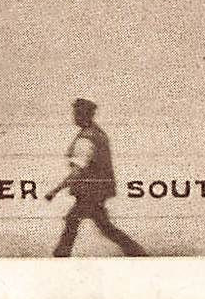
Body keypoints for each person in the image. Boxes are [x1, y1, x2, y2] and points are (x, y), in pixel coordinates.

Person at [45, 98, 146, 257]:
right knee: (101, 226)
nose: (74, 116)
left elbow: (78, 171)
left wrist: (55, 190)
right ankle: (136, 252)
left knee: (75, 221)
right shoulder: (98, 133)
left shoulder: (86, 138)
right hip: (98, 191)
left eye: (77, 113)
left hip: (90, 193)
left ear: (84, 115)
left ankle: (60, 256)